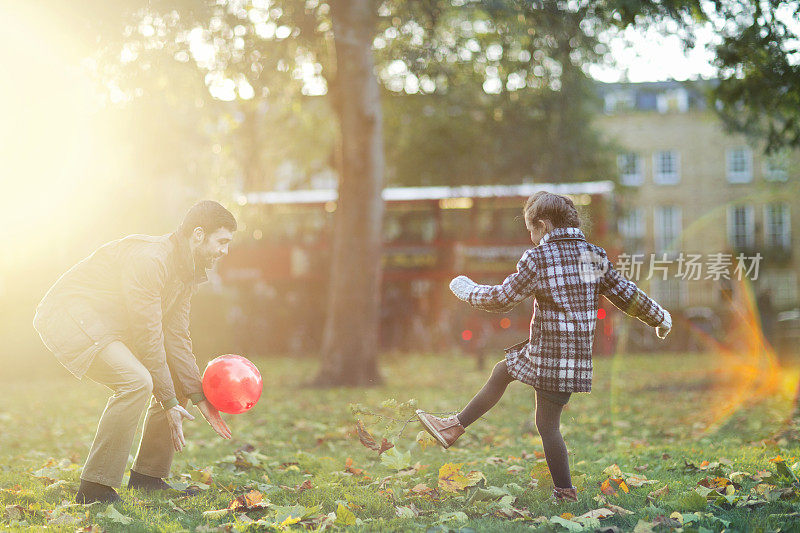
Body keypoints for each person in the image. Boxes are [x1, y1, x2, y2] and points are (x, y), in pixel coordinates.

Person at [416, 192, 672, 503]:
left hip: (549, 355)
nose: (531, 236)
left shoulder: (539, 258)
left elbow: (500, 299)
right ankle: (453, 426)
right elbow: (627, 295)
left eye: (531, 229)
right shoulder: (593, 256)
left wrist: (465, 289)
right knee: (507, 378)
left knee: (545, 424)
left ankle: (563, 491)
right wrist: (659, 317)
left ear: (543, 225)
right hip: (571, 357)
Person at [32, 201, 236, 504]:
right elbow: (148, 336)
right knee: (137, 380)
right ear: (197, 235)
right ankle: (94, 488)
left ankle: (148, 478)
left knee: (174, 382)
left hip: (107, 322)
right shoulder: (151, 260)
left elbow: (176, 338)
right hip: (68, 314)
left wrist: (197, 396)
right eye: (222, 241)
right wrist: (167, 402)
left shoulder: (186, 273)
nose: (225, 251)